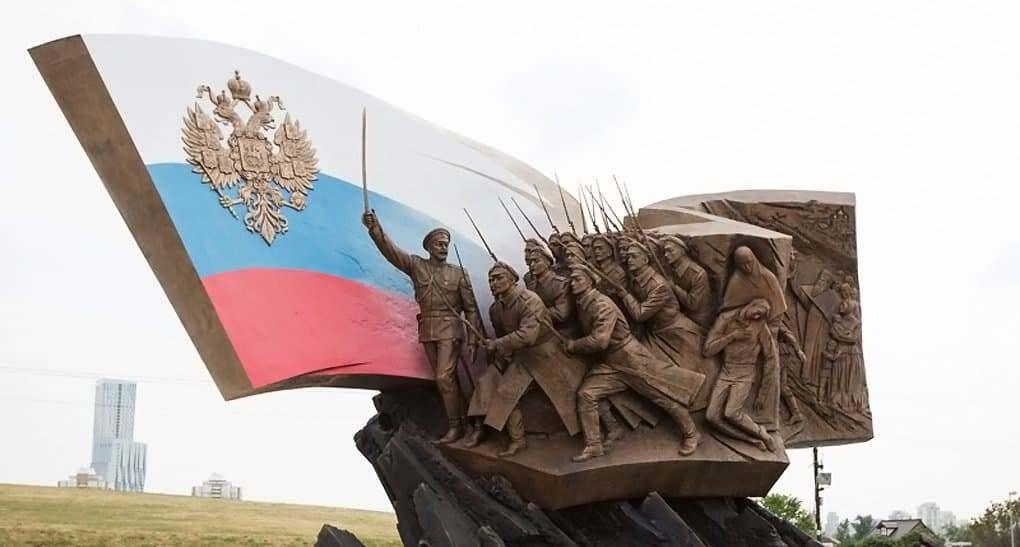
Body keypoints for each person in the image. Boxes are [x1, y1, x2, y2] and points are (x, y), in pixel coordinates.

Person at [362, 212, 483, 444]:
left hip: (450, 329)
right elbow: (392, 252)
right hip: (428, 329)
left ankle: (456, 427)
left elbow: (471, 309)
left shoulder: (459, 274)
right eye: (439, 244)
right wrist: (375, 229)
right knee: (445, 381)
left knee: (444, 378)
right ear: (429, 247)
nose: (443, 248)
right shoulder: (417, 265)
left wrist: (473, 339)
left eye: (446, 244)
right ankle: (464, 422)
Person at [564, 265, 705, 462]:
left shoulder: (602, 304)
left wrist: (575, 345)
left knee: (662, 395)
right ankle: (596, 443)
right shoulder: (583, 303)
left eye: (578, 279)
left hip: (631, 359)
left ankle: (691, 434)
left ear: (590, 281)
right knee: (587, 394)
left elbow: (600, 340)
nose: (573, 284)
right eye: (571, 280)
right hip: (611, 363)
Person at [463, 262, 587, 457]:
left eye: (498, 278)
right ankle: (505, 436)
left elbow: (528, 336)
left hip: (546, 354)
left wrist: (498, 344)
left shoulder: (529, 301)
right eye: (490, 280)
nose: (493, 283)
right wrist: (498, 352)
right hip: (521, 356)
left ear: (512, 279)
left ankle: (519, 439)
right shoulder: (496, 309)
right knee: (493, 383)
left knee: (507, 389)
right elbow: (504, 336)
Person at [703, 298, 780, 452]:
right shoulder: (725, 319)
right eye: (757, 312)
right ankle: (750, 440)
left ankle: (762, 434)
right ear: (751, 305)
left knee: (731, 413)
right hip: (726, 372)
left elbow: (771, 358)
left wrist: (763, 392)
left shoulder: (760, 326)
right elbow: (707, 350)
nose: (758, 317)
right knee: (711, 417)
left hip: (745, 374)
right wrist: (732, 336)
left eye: (762, 316)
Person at [522, 239, 576, 336]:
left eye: (536, 261)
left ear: (547, 263)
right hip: (543, 330)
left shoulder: (561, 284)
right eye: (531, 262)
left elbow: (561, 314)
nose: (532, 265)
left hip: (563, 331)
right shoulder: (532, 286)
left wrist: (536, 313)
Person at [660, 235, 713, 328]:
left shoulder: (698, 274)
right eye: (665, 251)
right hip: (678, 317)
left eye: (670, 250)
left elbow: (693, 304)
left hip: (695, 322)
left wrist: (673, 286)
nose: (666, 255)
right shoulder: (672, 270)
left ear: (682, 251)